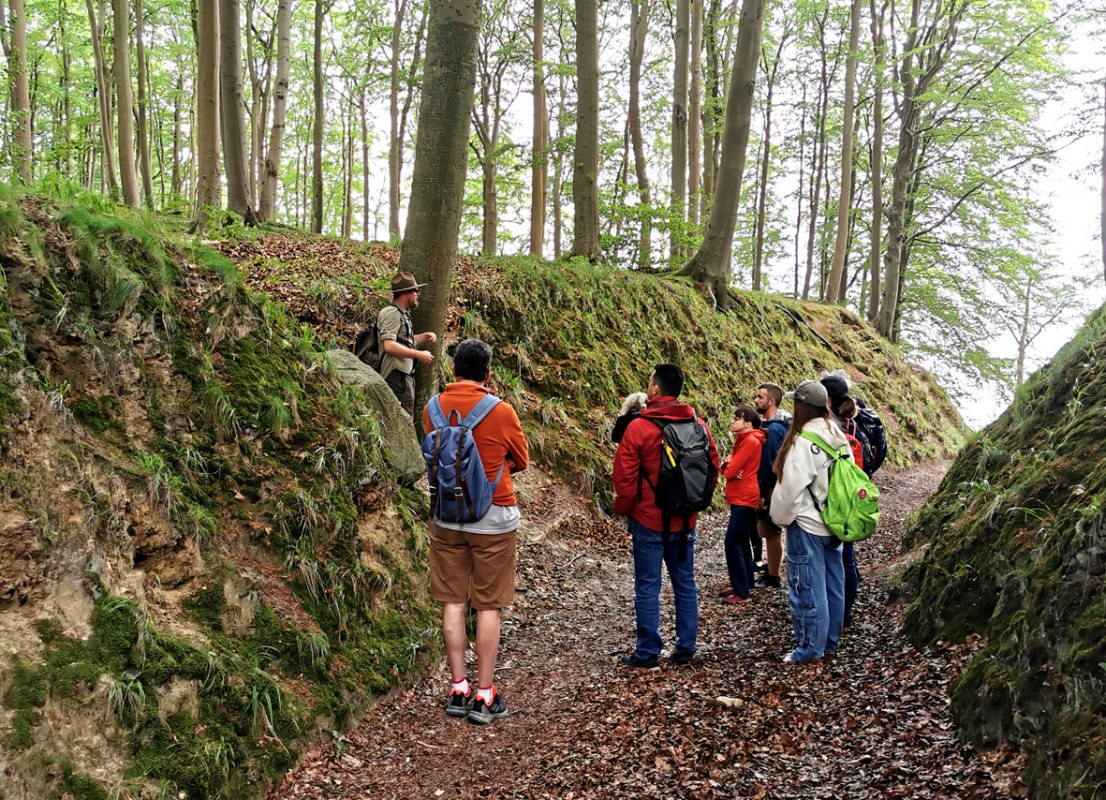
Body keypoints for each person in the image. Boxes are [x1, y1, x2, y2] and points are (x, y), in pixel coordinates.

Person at [422, 339, 529, 724]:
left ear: (453, 371)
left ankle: (457, 688)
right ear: (488, 374)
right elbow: (521, 459)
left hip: (446, 517)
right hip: (493, 519)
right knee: (487, 604)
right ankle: (485, 695)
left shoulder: (431, 409)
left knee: (452, 601)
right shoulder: (501, 411)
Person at [613, 364, 720, 668]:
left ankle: (647, 652)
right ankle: (686, 647)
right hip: (685, 519)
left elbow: (624, 478)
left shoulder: (638, 427)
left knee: (648, 584)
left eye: (649, 383)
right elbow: (712, 467)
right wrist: (695, 502)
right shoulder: (698, 424)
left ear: (656, 390)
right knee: (684, 581)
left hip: (647, 519)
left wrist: (626, 510)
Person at [770, 379, 850, 664]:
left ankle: (808, 649)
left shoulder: (804, 441)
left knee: (806, 587)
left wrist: (778, 518)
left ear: (802, 407)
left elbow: (789, 488)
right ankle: (829, 642)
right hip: (836, 521)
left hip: (808, 523)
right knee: (832, 584)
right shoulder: (839, 437)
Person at [820, 372, 870, 629]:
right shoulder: (854, 425)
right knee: (846, 559)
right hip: (852, 501)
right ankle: (844, 614)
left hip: (831, 502)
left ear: (827, 398)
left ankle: (832, 616)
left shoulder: (829, 427)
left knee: (831, 561)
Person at [718, 406, 765, 604]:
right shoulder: (744, 440)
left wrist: (729, 466)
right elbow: (731, 468)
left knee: (732, 541)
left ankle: (741, 591)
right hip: (742, 494)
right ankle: (745, 583)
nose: (732, 421)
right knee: (742, 539)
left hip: (744, 496)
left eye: (737, 418)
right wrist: (730, 466)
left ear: (748, 423)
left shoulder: (750, 442)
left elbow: (729, 471)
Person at [378, 271, 438, 414]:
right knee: (401, 420)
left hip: (403, 378)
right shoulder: (391, 313)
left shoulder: (401, 313)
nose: (418, 295)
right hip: (395, 377)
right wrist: (418, 354)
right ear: (406, 293)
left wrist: (424, 336)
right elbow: (389, 345)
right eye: (416, 291)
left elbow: (403, 342)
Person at [753, 382, 791, 589]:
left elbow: (768, 463)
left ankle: (773, 575)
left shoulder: (774, 429)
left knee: (770, 531)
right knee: (772, 531)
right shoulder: (781, 425)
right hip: (777, 485)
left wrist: (762, 492)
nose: (756, 400)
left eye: (759, 397)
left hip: (770, 487)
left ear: (771, 401)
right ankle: (772, 570)